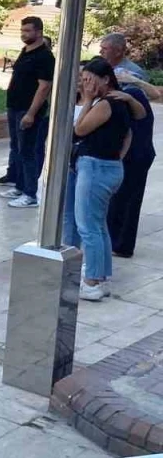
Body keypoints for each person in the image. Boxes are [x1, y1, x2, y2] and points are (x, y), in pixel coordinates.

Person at [62, 58, 137, 301]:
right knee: (99, 225)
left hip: (95, 168)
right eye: (83, 80)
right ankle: (101, 277)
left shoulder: (105, 104)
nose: (85, 84)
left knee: (88, 227)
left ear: (105, 79)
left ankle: (92, 281)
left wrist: (86, 100)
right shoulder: (118, 101)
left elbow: (80, 129)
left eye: (90, 80)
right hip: (106, 167)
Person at [0, 16, 55, 209]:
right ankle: (19, 187)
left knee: (28, 151)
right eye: (22, 31)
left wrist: (31, 113)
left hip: (27, 110)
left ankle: (30, 194)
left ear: (39, 32)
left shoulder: (44, 56)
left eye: (28, 31)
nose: (24, 34)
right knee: (17, 148)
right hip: (14, 107)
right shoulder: (25, 51)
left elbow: (44, 87)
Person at [108, 72, 157, 258]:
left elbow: (155, 95)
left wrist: (135, 81)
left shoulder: (131, 92)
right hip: (133, 154)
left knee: (126, 201)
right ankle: (116, 242)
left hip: (136, 155)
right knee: (121, 200)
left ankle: (121, 245)